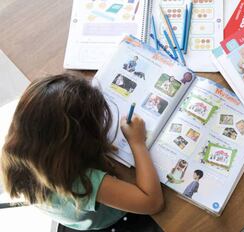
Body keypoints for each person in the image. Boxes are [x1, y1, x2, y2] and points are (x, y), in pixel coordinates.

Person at [0, 74, 164, 231]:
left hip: (75, 217)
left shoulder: (15, 153)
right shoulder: (81, 182)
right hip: (113, 221)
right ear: (78, 142)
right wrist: (137, 143)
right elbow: (152, 202)